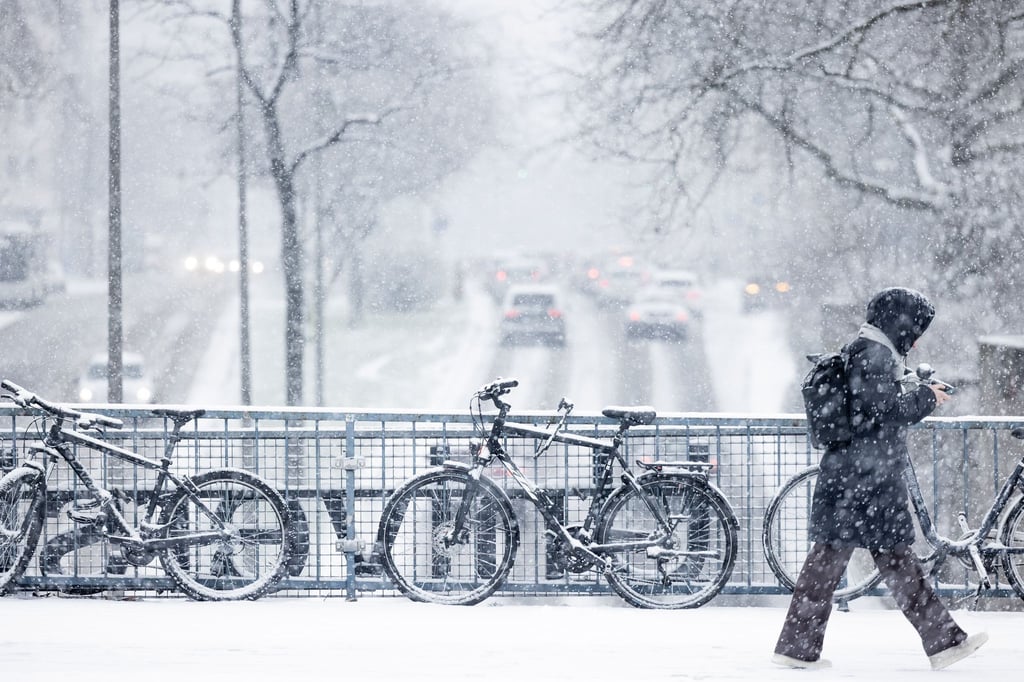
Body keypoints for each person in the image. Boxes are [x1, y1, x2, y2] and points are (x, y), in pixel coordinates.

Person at [772, 287, 988, 671]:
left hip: (856, 476)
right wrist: (927, 398)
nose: (916, 340)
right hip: (866, 479)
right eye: (914, 330)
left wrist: (915, 387)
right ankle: (943, 642)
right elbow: (884, 411)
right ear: (898, 323)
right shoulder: (874, 354)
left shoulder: (868, 349)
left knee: (850, 562)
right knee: (875, 562)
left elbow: (872, 404)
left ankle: (798, 648)